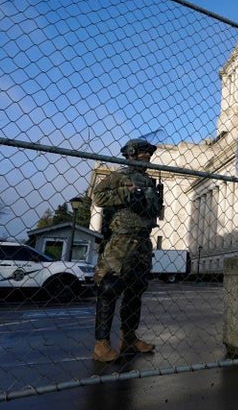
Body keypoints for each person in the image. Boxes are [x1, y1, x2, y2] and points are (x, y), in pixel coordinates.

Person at [91, 138, 161, 362]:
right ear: (131, 154)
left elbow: (154, 209)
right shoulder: (120, 176)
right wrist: (127, 193)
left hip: (142, 240)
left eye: (149, 155)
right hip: (122, 239)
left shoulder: (150, 181)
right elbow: (98, 196)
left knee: (136, 288)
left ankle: (128, 336)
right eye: (143, 154)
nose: (147, 158)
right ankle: (101, 344)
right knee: (111, 286)